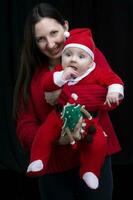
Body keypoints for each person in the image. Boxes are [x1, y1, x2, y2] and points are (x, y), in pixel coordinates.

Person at [13, 2, 123, 200]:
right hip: (54, 168)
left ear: (65, 27)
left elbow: (108, 97)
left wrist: (63, 94)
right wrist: (57, 138)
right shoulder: (32, 77)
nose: (51, 44)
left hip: (94, 158)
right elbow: (24, 129)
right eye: (40, 39)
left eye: (54, 33)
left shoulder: (89, 56)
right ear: (34, 43)